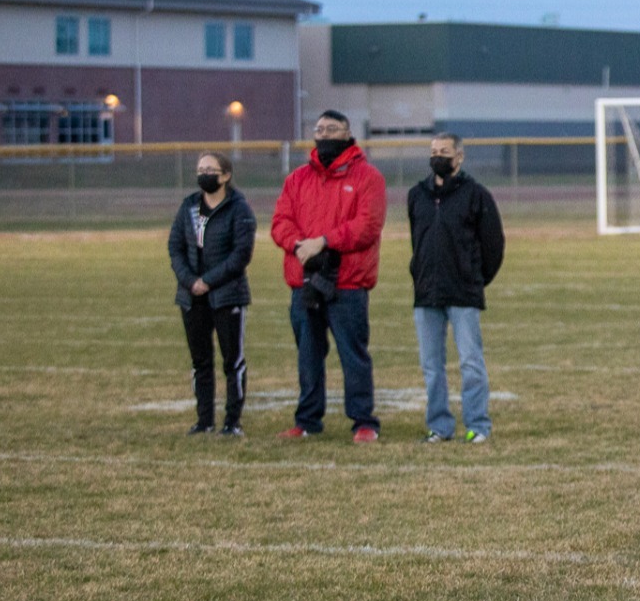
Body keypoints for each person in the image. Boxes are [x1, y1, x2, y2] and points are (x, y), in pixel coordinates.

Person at [270, 111, 387, 441]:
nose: (323, 135)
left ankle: (364, 422)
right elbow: (280, 221)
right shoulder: (297, 179)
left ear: (348, 133)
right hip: (304, 281)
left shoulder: (368, 177)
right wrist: (297, 246)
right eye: (319, 130)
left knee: (353, 355)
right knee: (307, 355)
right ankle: (307, 421)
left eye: (331, 130)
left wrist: (323, 242)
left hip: (347, 283)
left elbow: (367, 226)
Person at [408, 133, 505, 444]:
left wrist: (475, 278)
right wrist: (420, 274)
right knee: (431, 365)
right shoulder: (417, 195)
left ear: (459, 157)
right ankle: (439, 426)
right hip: (427, 292)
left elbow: (493, 244)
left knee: (470, 362)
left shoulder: (476, 195)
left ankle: (477, 424)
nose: (438, 156)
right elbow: (417, 242)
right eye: (434, 151)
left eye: (444, 151)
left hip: (463, 291)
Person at [168, 152, 256, 436]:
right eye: (200, 169)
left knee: (232, 361)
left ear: (226, 175)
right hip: (191, 297)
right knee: (200, 361)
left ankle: (232, 422)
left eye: (210, 169)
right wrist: (189, 280)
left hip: (227, 295)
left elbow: (240, 254)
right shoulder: (189, 206)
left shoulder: (238, 208)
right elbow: (175, 247)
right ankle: (204, 420)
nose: (204, 174)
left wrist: (208, 280)